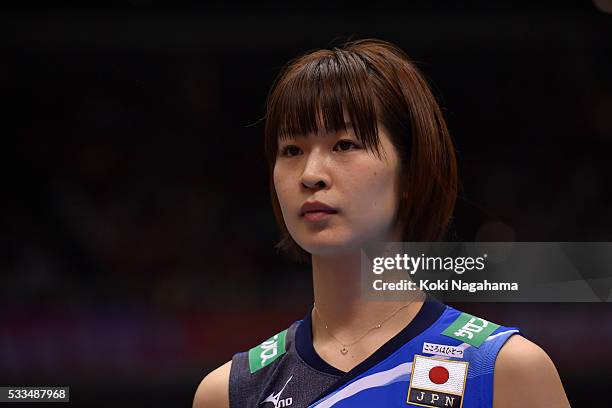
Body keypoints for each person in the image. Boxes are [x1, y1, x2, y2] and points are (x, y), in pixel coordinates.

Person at [193, 39, 570, 408]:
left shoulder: (502, 371)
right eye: (291, 150)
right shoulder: (231, 393)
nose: (310, 174)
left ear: (409, 172)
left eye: (344, 144)